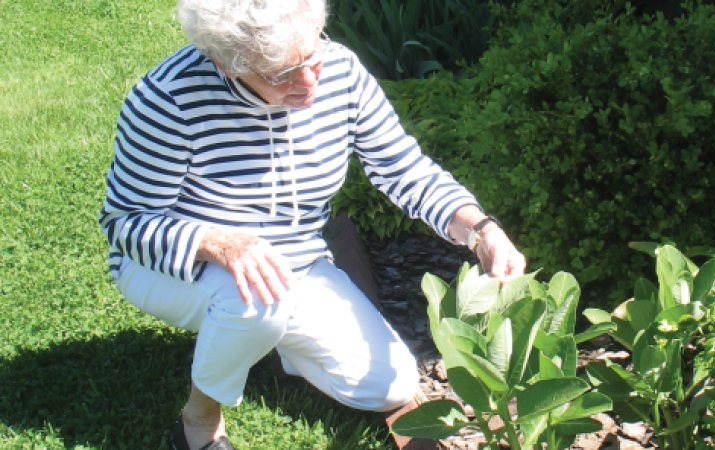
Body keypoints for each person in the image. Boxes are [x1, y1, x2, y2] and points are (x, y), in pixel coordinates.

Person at [98, 0, 527, 448]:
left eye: (310, 55)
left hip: (295, 262)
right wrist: (215, 241)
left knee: (394, 387)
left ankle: (268, 339)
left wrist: (481, 230)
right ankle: (199, 423)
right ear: (226, 65)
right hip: (176, 264)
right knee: (255, 306)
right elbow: (126, 222)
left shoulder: (340, 70)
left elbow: (404, 170)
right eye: (279, 74)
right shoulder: (167, 100)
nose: (307, 83)